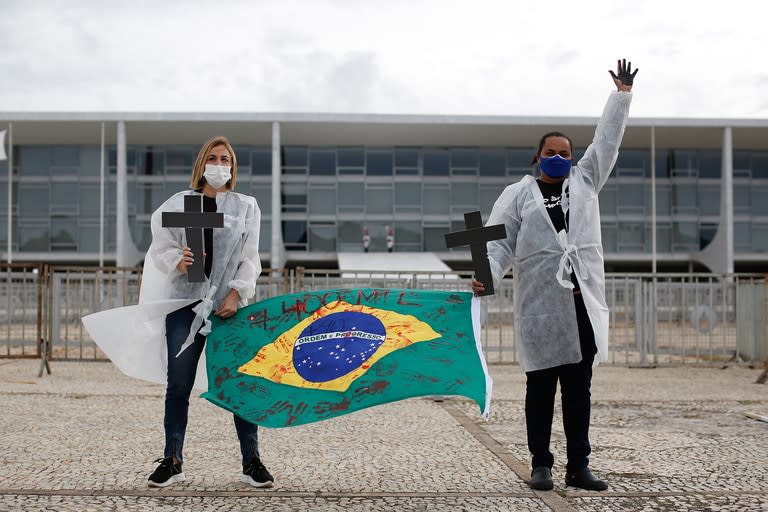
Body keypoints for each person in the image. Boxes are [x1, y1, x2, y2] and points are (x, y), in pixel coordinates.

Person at [472, 59, 638, 492]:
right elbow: (494, 242)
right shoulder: (518, 194)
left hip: (581, 303)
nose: (560, 158)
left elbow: (607, 143)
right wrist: (484, 276)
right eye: (551, 153)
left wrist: (621, 97)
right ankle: (541, 463)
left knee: (579, 390)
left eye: (565, 152)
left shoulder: (585, 181)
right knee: (541, 388)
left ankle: (578, 465)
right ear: (537, 157)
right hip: (540, 307)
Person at [143, 135, 274, 489]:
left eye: (226, 159)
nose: (220, 165)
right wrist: (178, 261)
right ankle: (172, 459)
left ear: (233, 167)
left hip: (230, 307)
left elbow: (250, 257)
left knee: (240, 383)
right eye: (214, 158)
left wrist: (236, 293)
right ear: (202, 164)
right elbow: (161, 246)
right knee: (179, 384)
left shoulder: (246, 207)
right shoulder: (181, 203)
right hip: (185, 304)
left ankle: (252, 460)